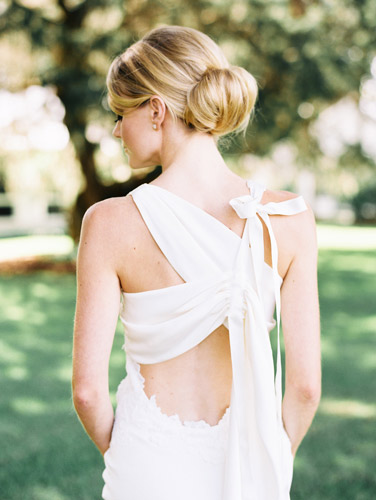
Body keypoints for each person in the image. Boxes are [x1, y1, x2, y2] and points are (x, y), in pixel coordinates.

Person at [72, 24, 321, 500]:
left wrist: (127, 451)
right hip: (252, 464)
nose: (117, 129)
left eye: (120, 113)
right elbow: (305, 387)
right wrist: (274, 458)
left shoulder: (108, 224)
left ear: (156, 110)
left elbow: (87, 391)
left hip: (147, 463)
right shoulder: (287, 218)